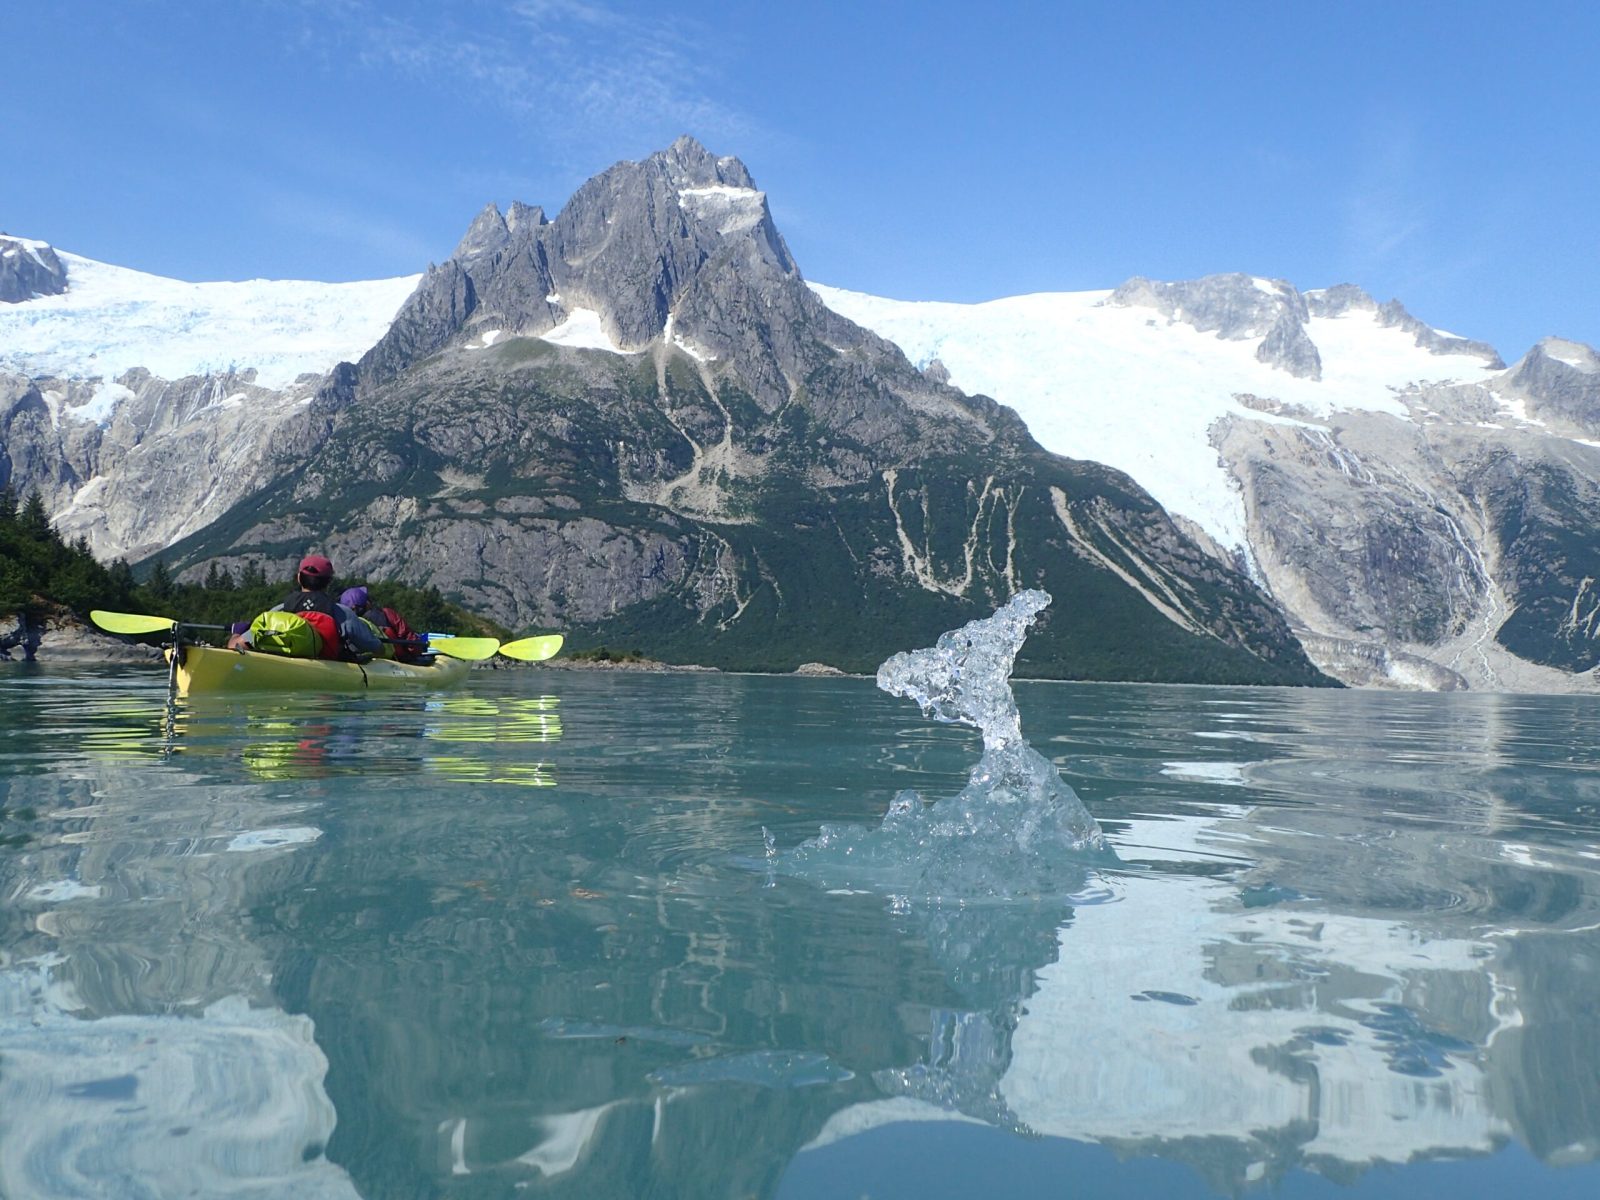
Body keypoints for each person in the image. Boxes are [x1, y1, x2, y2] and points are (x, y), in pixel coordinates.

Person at [229, 555, 383, 660]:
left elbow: (235, 646)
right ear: (328, 582)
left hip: (285, 668)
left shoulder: (280, 610)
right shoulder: (342, 613)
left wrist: (236, 632)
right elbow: (376, 647)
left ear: (298, 578)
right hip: (328, 672)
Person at [339, 585, 427, 663]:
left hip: (365, 663)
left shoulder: (344, 624)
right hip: (399, 662)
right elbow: (410, 638)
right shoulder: (387, 613)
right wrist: (416, 655)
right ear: (367, 603)